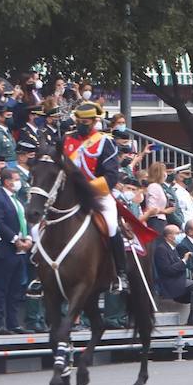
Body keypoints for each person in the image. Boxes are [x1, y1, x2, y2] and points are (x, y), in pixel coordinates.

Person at [63, 101, 130, 296]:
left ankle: (120, 273)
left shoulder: (104, 142)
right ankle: (40, 275)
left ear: (94, 122)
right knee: (41, 224)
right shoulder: (67, 140)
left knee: (110, 226)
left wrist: (88, 189)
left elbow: (111, 175)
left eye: (87, 121)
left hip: (97, 193)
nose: (83, 124)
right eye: (80, 121)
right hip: (69, 193)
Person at [0, 168, 33, 334]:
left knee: (16, 287)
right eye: (15, 179)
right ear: (7, 181)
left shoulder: (17, 200)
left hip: (21, 249)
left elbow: (25, 220)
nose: (18, 182)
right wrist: (15, 239)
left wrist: (28, 238)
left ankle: (13, 322)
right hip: (7, 249)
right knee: (2, 287)